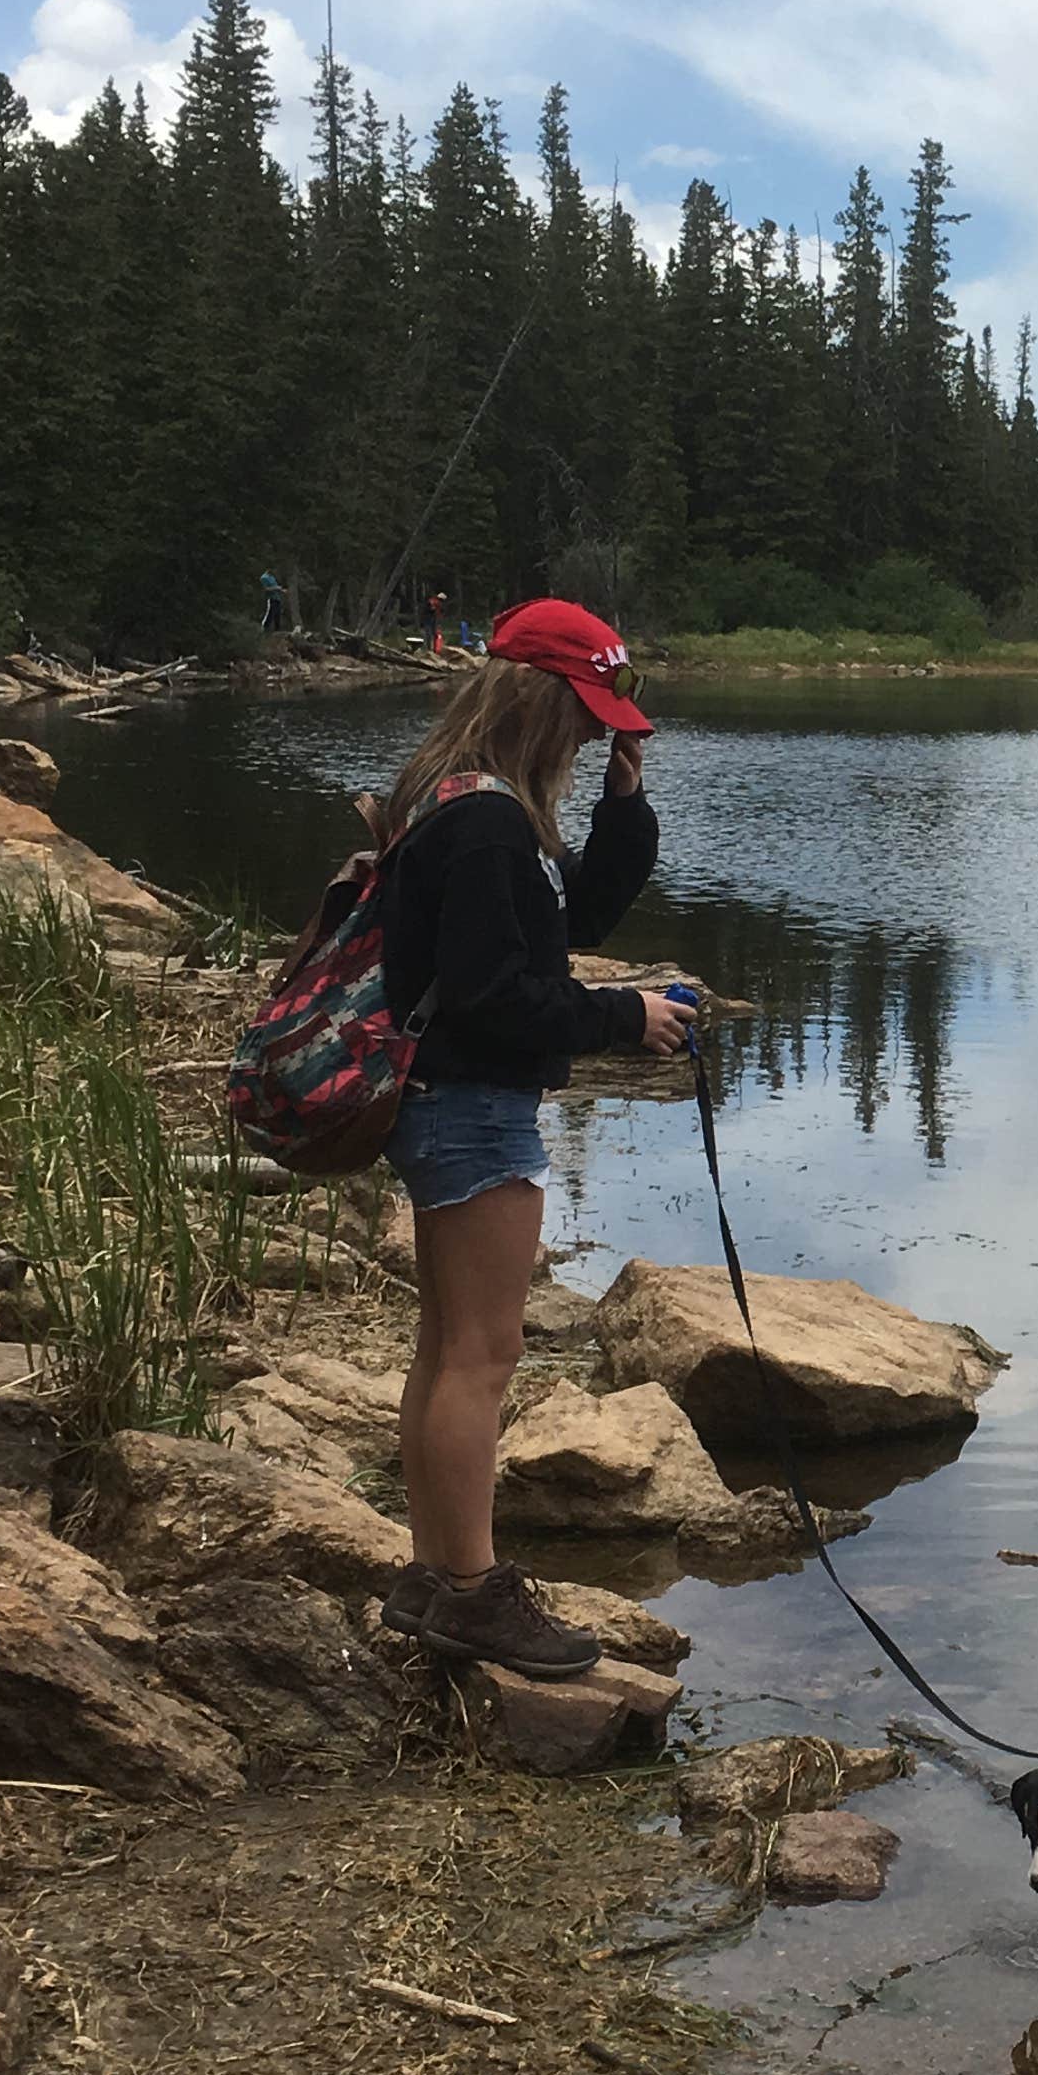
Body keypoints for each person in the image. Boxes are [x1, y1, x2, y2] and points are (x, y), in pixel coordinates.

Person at [368, 596, 696, 1676]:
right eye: (590, 716)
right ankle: (470, 1591)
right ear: (539, 700)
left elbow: (571, 927)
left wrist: (626, 802)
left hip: (450, 1102)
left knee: (446, 1352)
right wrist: (625, 1016)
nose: (599, 733)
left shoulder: (466, 800)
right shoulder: (486, 824)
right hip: (470, 1106)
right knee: (481, 1357)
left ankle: (432, 1576)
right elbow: (495, 996)